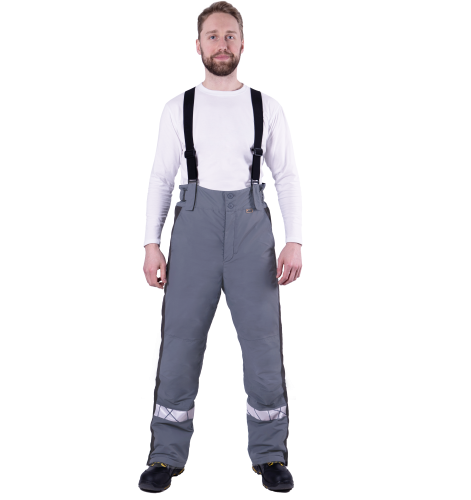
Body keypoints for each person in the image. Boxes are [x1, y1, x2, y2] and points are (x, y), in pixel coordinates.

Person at [139, 1, 302, 494]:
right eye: (213, 36)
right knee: (180, 341)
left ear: (243, 43)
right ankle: (165, 456)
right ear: (198, 45)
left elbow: (287, 176)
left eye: (230, 35)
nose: (222, 44)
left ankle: (270, 454)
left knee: (263, 343)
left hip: (253, 228)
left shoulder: (267, 107)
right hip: (194, 227)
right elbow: (161, 178)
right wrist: (151, 244)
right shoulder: (178, 107)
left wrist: (294, 240)